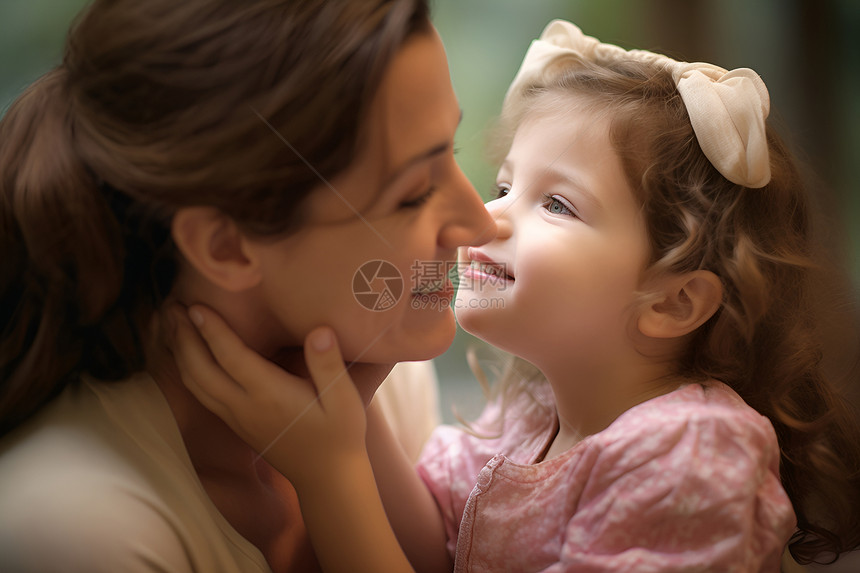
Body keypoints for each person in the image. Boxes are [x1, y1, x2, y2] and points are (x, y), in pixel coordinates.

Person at [170, 19, 860, 573]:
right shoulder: (525, 421)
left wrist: (329, 474)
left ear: (673, 301)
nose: (486, 217)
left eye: (555, 203)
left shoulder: (691, 456)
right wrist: (354, 413)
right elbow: (427, 552)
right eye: (505, 186)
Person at [0, 0, 498, 571]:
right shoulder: (77, 536)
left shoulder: (384, 369)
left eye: (452, 153)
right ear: (226, 247)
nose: (480, 221)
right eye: (412, 192)